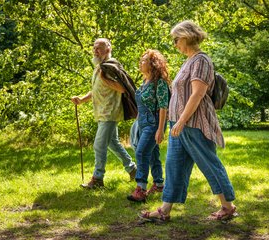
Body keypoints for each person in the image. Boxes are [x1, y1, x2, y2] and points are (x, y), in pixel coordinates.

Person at [140, 20, 236, 221]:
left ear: (186, 36)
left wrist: (182, 121)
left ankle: (227, 206)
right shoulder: (188, 61)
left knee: (209, 164)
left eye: (176, 39)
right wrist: (176, 123)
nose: (175, 44)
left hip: (193, 124)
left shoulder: (201, 60)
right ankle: (164, 211)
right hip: (178, 125)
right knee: (174, 167)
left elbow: (197, 94)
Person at [71, 38, 137, 189]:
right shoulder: (99, 67)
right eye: (94, 48)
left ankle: (98, 179)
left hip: (110, 112)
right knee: (113, 143)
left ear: (108, 49)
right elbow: (96, 90)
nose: (95, 50)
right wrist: (82, 99)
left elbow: (122, 88)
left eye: (99, 48)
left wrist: (105, 80)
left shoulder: (110, 67)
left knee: (99, 145)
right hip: (102, 112)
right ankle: (133, 169)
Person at [127, 49, 170, 202]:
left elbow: (163, 107)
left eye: (144, 60)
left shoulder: (160, 83)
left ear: (152, 64)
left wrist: (160, 129)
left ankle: (141, 188)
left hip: (154, 123)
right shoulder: (145, 82)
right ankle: (159, 184)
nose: (140, 63)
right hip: (143, 123)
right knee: (152, 154)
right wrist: (136, 125)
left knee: (141, 152)